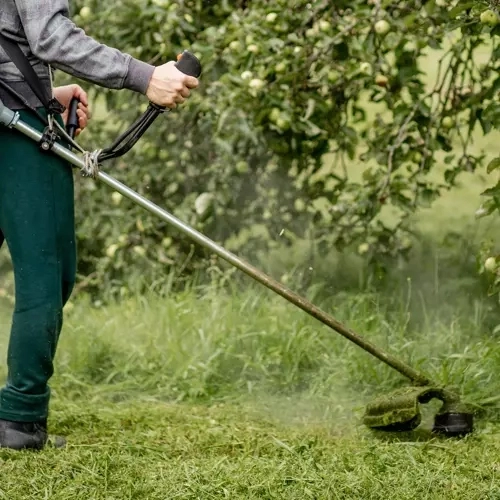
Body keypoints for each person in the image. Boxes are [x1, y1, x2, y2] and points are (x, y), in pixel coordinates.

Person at [0, 1, 199, 450]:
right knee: (46, 275)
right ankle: (20, 418)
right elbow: (50, 35)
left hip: (12, 108)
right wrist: (145, 75)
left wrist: (43, 90)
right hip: (13, 131)